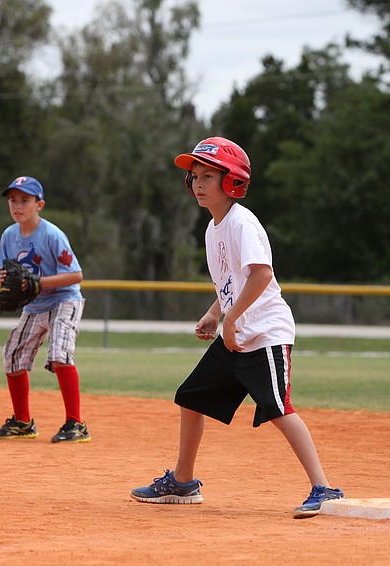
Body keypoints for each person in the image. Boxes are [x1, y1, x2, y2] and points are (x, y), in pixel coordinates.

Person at [130, 137, 344, 519]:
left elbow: (261, 275)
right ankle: (183, 482)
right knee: (191, 397)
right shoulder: (214, 229)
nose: (198, 184)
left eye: (208, 176)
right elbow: (234, 280)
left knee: (279, 409)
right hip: (237, 332)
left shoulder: (242, 223)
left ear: (232, 182)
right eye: (194, 176)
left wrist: (232, 318)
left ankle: (324, 488)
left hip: (264, 333)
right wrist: (216, 313)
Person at [0, 175, 90, 444]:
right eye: (13, 200)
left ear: (39, 204)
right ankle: (22, 422)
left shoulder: (52, 235)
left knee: (59, 355)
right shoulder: (9, 236)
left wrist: (38, 282)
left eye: (25, 200)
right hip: (35, 305)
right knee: (12, 356)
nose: (17, 206)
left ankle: (76, 424)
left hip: (64, 299)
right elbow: (2, 272)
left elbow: (76, 275)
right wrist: (3, 281)